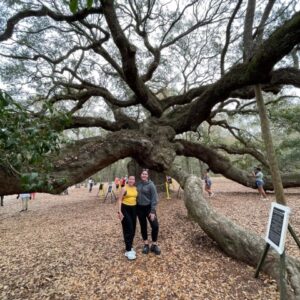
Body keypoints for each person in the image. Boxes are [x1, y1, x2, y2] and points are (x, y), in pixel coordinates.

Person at [136, 169, 161, 255]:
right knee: (143, 226)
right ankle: (146, 244)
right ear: (140, 175)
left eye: (145, 174)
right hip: (140, 209)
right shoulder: (138, 185)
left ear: (148, 175)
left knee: (155, 226)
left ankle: (154, 244)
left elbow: (155, 198)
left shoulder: (151, 185)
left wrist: (153, 211)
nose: (144, 175)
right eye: (142, 174)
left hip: (149, 208)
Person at [117, 175, 138, 260]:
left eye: (133, 179)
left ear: (134, 180)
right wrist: (119, 212)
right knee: (128, 229)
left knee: (133, 229)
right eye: (130, 179)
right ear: (127, 180)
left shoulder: (135, 188)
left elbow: (136, 198)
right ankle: (128, 250)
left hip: (134, 209)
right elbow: (119, 200)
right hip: (125, 209)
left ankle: (130, 246)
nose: (131, 180)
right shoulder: (124, 188)